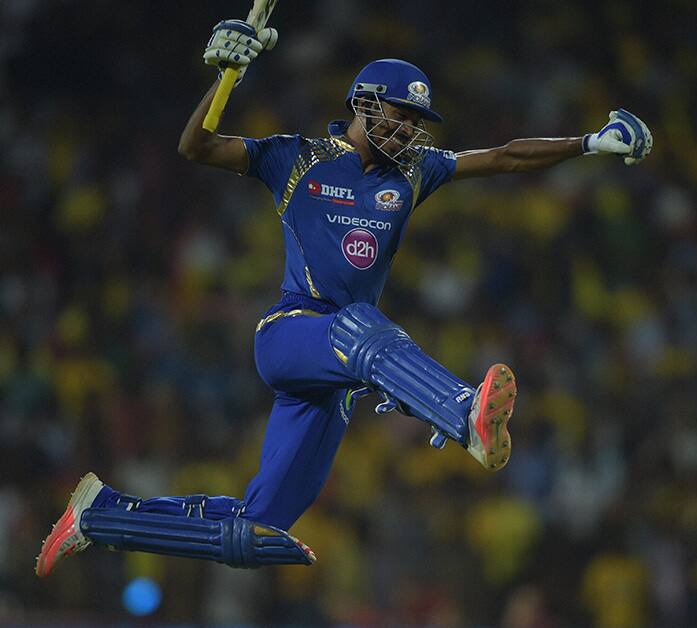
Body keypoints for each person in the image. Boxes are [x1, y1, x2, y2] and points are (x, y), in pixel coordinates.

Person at [35, 18, 651, 577]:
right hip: (291, 333)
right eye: (398, 115)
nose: (407, 130)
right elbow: (196, 146)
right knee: (360, 322)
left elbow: (505, 157)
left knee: (257, 530)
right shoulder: (295, 157)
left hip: (335, 379)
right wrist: (228, 75)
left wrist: (590, 144)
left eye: (415, 123)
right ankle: (461, 412)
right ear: (361, 102)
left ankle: (102, 517)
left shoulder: (416, 171)